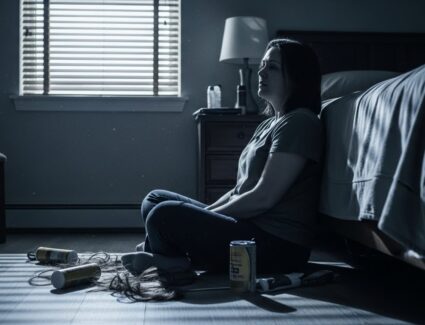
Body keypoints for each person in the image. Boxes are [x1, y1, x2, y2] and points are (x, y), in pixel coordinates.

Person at [121, 38, 324, 276]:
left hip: (276, 245)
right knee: (155, 199)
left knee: (162, 215)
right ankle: (172, 258)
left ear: (297, 77)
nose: (261, 71)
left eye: (273, 67)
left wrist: (202, 219)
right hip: (248, 227)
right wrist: (204, 216)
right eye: (263, 64)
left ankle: (173, 261)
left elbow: (263, 198)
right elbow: (240, 189)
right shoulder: (268, 124)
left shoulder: (300, 122)